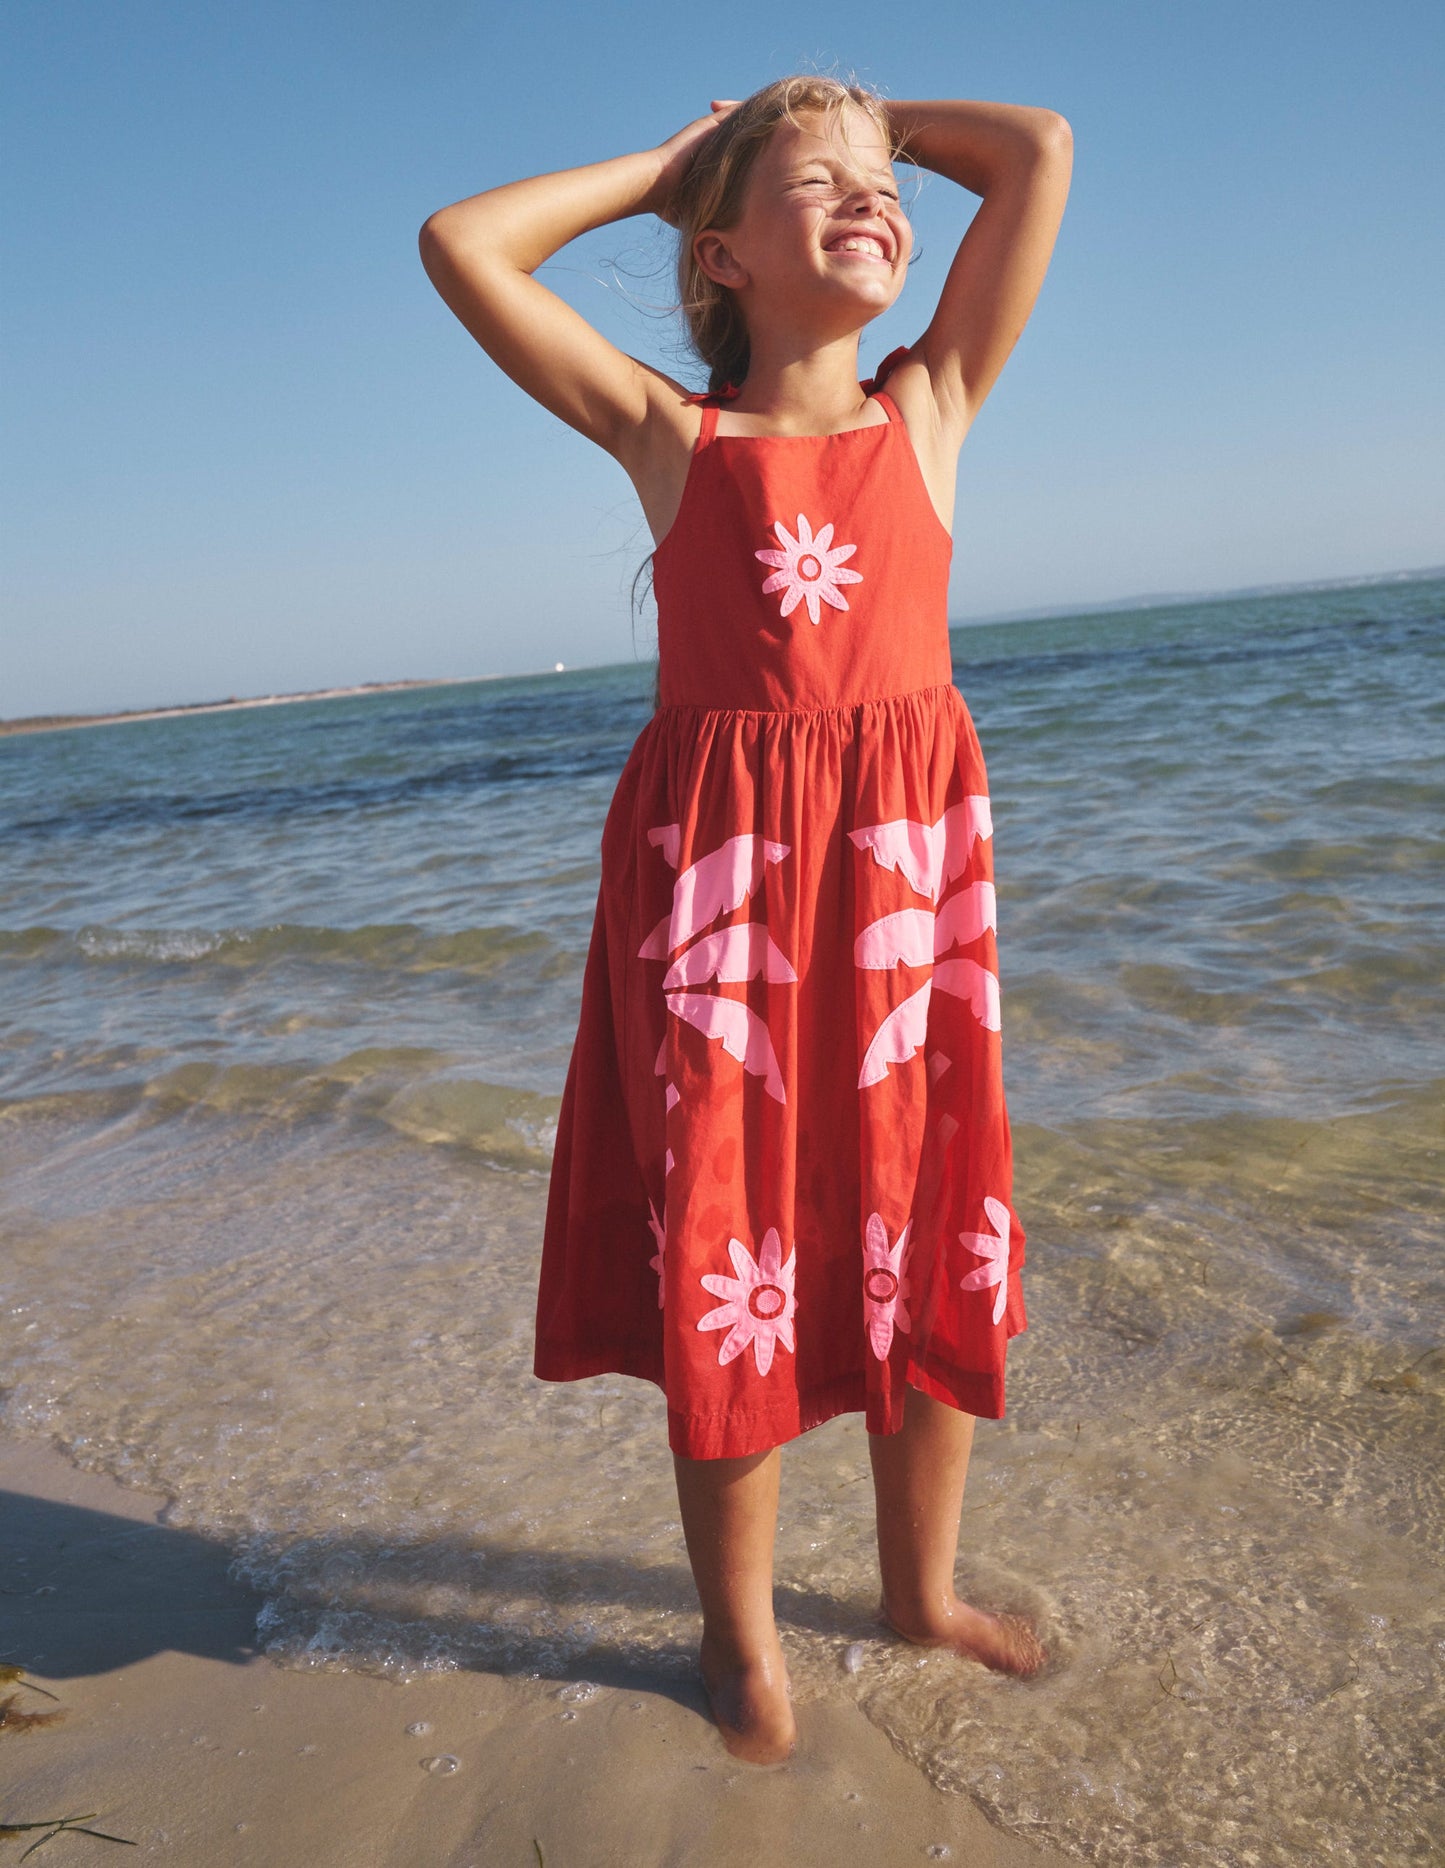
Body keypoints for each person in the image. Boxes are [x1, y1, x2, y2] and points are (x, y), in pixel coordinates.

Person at [418, 76, 1072, 1766]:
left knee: (923, 1225)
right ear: (720, 253)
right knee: (738, 1251)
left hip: (908, 886)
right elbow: (462, 244)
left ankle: (917, 1594)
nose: (871, 200)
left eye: (884, 188)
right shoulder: (671, 436)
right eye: (819, 189)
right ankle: (740, 1635)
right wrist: (674, 164)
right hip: (722, 904)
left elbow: (1037, 152)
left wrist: (857, 122)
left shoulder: (927, 409)